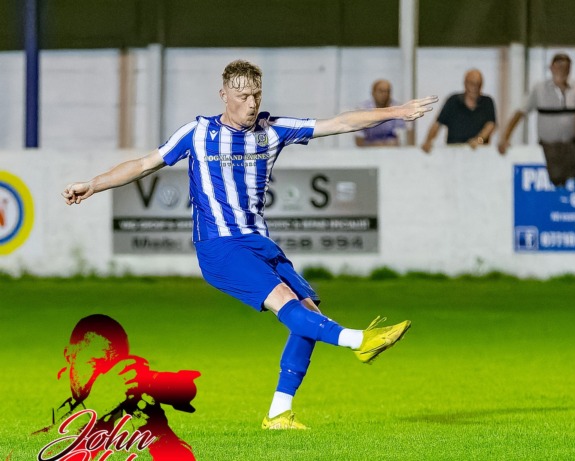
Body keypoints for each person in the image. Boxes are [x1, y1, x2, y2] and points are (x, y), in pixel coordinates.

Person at [62, 59, 437, 430]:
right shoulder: (197, 132)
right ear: (224, 95)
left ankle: (278, 413)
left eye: (257, 94)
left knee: (309, 313)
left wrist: (397, 112)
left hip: (260, 243)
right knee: (289, 306)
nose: (252, 103)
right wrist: (93, 184)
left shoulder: (273, 130)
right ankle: (360, 340)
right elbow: (144, 164)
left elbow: (340, 122)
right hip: (219, 246)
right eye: (243, 95)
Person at [36, 314, 200, 460]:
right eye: (97, 364)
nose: (110, 377)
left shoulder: (126, 403)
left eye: (116, 367)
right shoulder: (40, 394)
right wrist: (97, 406)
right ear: (69, 355)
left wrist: (159, 434)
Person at [497, 53, 575, 187]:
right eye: (558, 67)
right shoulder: (539, 88)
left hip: (570, 145)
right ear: (551, 68)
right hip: (546, 146)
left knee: (570, 181)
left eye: (565, 67)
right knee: (553, 179)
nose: (562, 71)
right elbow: (520, 113)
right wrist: (505, 138)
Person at [421, 69, 496, 153]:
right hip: (453, 152)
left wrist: (479, 140)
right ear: (465, 83)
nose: (475, 87)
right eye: (472, 83)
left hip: (479, 152)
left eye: (478, 84)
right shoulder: (453, 101)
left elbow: (490, 125)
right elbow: (438, 124)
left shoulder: (487, 102)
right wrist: (428, 141)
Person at [355, 79, 414, 147]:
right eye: (381, 91)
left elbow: (402, 138)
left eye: (387, 91)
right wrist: (375, 145)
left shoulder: (398, 109)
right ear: (373, 93)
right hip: (368, 150)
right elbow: (358, 139)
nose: (385, 94)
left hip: (392, 150)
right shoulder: (363, 109)